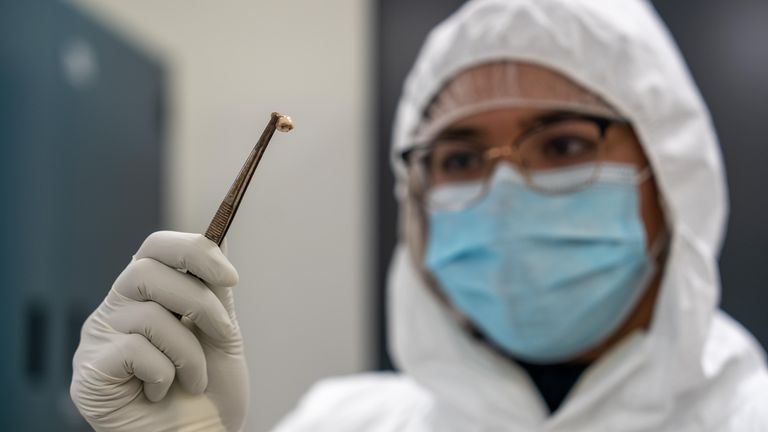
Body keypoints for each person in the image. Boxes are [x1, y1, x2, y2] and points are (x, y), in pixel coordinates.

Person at [71, 0, 768, 430]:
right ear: (417, 205)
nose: (505, 191)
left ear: (671, 180)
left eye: (562, 145)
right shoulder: (346, 423)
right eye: (460, 159)